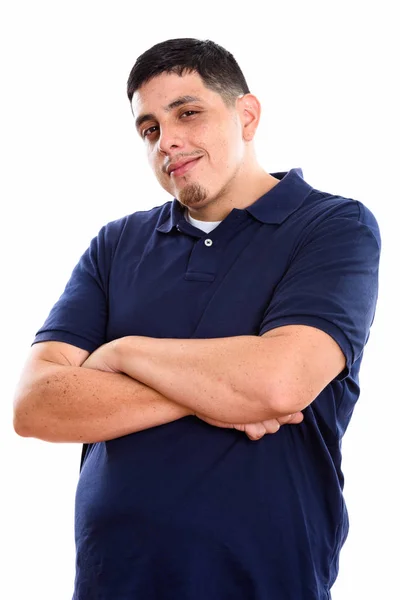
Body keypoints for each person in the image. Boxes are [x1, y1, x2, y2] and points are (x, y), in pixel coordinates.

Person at [13, 37, 381, 599]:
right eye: (150, 128)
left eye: (188, 113)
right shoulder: (116, 245)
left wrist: (122, 353)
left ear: (247, 115)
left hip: (266, 582)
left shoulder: (333, 226)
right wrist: (229, 392)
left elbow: (279, 381)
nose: (169, 141)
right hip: (113, 582)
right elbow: (35, 406)